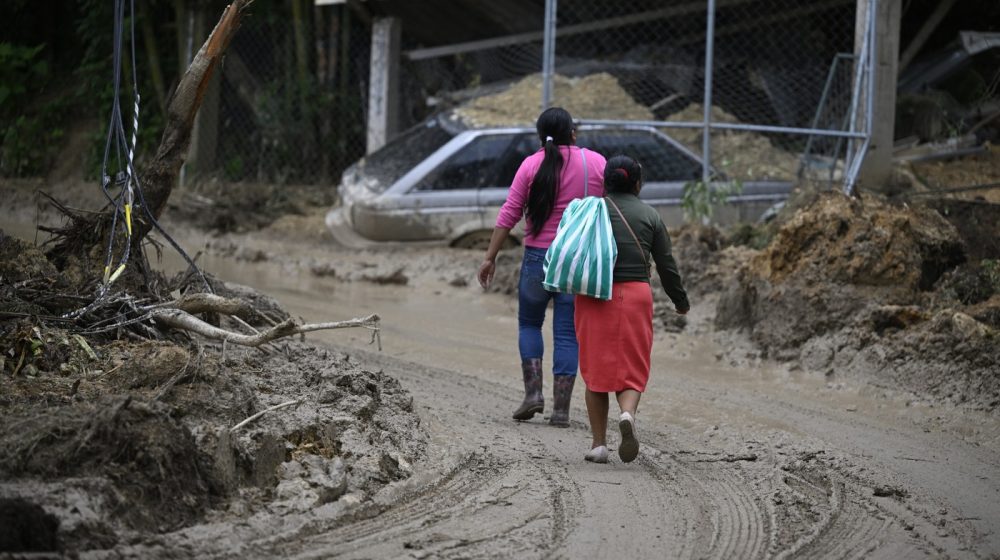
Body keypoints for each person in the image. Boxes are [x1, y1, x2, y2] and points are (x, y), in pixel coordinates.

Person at [478, 107, 607, 427]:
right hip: (575, 263)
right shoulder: (595, 163)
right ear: (573, 134)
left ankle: (533, 394)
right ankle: (561, 411)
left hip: (537, 259)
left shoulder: (530, 165)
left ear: (540, 137)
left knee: (529, 325)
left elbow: (509, 213)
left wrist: (489, 257)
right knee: (567, 335)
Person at [576, 155, 689, 463]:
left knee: (595, 369)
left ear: (604, 182)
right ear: (638, 184)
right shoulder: (650, 216)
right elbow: (667, 265)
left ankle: (598, 445)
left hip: (592, 295)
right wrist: (680, 300)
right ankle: (627, 414)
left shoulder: (587, 210)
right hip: (636, 295)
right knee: (632, 366)